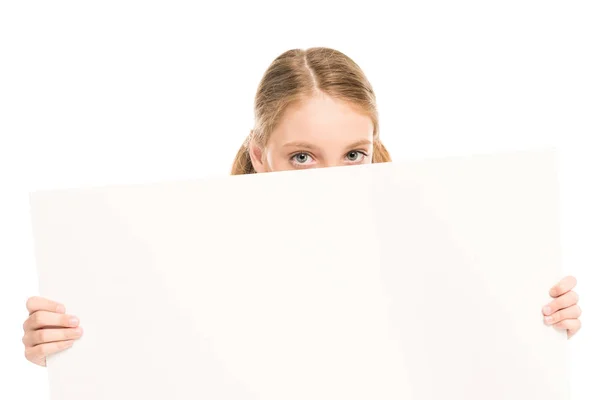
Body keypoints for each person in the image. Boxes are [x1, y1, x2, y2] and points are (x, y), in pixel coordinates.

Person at [22, 47, 583, 367]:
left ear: (375, 149)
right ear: (259, 154)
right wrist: (66, 351)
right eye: (303, 157)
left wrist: (539, 324)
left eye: (353, 154)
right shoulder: (182, 258)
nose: (331, 180)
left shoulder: (436, 251)